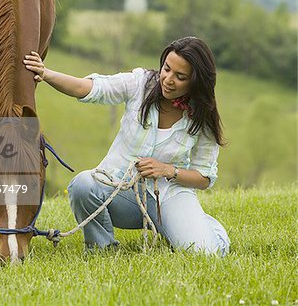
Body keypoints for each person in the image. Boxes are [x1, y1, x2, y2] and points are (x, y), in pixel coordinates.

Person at [23, 36, 230, 256]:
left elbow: (205, 178)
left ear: (196, 81)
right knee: (83, 185)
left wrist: (169, 170)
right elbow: (89, 88)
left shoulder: (202, 116)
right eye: (166, 69)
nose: (168, 79)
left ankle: (200, 227)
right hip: (120, 191)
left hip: (168, 197)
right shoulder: (140, 83)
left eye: (180, 77)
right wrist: (46, 74)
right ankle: (101, 251)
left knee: (205, 254)